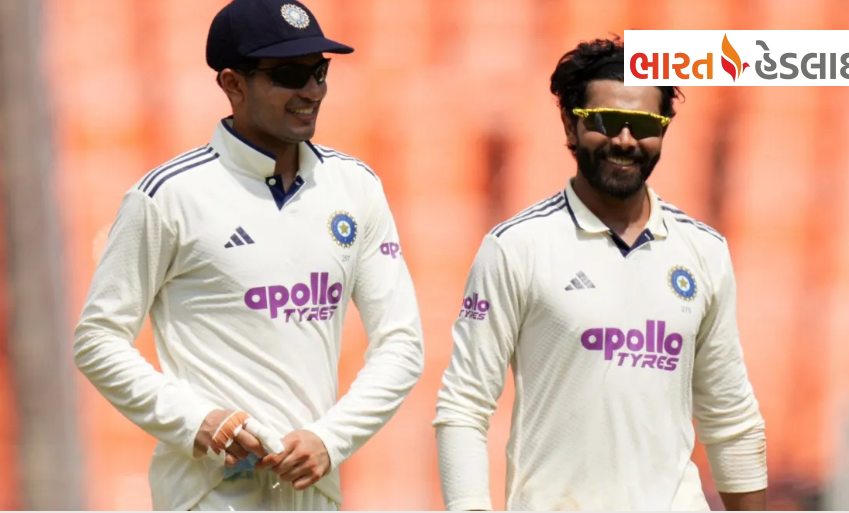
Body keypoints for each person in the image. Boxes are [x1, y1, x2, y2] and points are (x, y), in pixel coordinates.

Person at [73, 0, 424, 510]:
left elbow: (402, 343)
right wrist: (198, 421)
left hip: (312, 493)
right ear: (232, 83)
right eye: (289, 75)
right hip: (207, 495)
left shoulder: (355, 187)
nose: (312, 92)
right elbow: (98, 339)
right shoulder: (168, 196)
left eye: (319, 72)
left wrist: (331, 438)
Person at [433, 36, 767, 511]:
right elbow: (464, 405)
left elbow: (729, 415)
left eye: (644, 125)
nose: (625, 140)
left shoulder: (704, 251)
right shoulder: (518, 246)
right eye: (606, 121)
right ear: (571, 125)